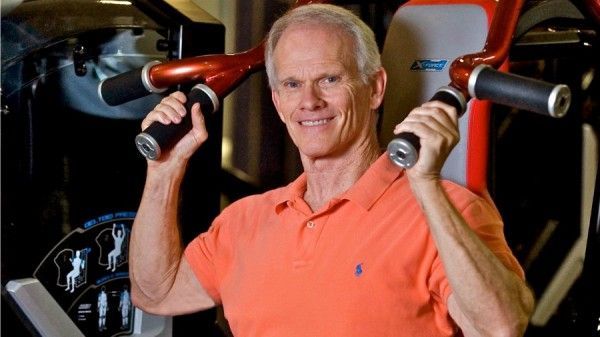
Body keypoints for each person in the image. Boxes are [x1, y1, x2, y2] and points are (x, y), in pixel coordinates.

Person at [129, 4, 534, 337]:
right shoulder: (243, 223)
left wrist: (426, 185)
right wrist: (164, 171)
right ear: (276, 100)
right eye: (291, 84)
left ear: (375, 88)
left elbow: (501, 327)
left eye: (329, 78)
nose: (310, 101)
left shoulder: (447, 211)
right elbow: (155, 293)